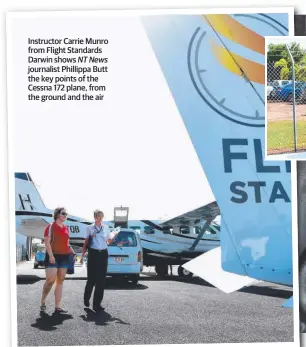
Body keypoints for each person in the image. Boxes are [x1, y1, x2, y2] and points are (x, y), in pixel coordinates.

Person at [40, 207, 76, 313]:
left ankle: (57, 306)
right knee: (50, 280)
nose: (65, 215)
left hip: (64, 256)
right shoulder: (50, 227)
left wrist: (72, 251)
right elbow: (47, 242)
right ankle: (43, 300)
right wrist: (51, 256)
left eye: (66, 214)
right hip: (53, 255)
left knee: (60, 280)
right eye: (63, 213)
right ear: (57, 214)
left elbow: (67, 243)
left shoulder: (66, 227)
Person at [80, 210, 117, 312]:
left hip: (103, 254)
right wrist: (82, 256)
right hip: (93, 254)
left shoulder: (106, 228)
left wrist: (114, 236)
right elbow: (86, 242)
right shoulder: (89, 228)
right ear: (95, 217)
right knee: (91, 279)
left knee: (101, 281)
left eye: (101, 217)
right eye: (98, 217)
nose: (100, 219)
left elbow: (108, 241)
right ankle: (86, 298)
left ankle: (97, 304)